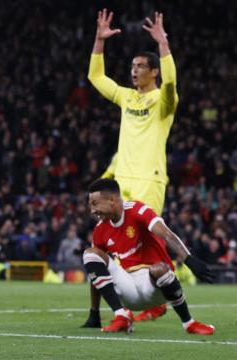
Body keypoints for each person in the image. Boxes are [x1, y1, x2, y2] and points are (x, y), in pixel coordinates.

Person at [83, 10, 180, 327]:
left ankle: (157, 301)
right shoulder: (127, 98)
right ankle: (97, 313)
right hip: (120, 183)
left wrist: (163, 44)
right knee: (100, 245)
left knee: (147, 245)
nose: (134, 71)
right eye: (132, 66)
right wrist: (99, 42)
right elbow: (96, 78)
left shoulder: (163, 103)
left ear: (154, 71)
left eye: (140, 67)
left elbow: (171, 85)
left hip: (150, 182)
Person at [83, 178, 215, 335]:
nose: (92, 210)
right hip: (128, 289)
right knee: (91, 255)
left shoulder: (137, 210)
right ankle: (121, 316)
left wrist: (189, 259)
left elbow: (166, 234)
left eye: (95, 203)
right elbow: (95, 274)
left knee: (159, 269)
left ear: (112, 199)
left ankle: (189, 323)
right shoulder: (100, 230)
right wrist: (94, 313)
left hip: (156, 286)